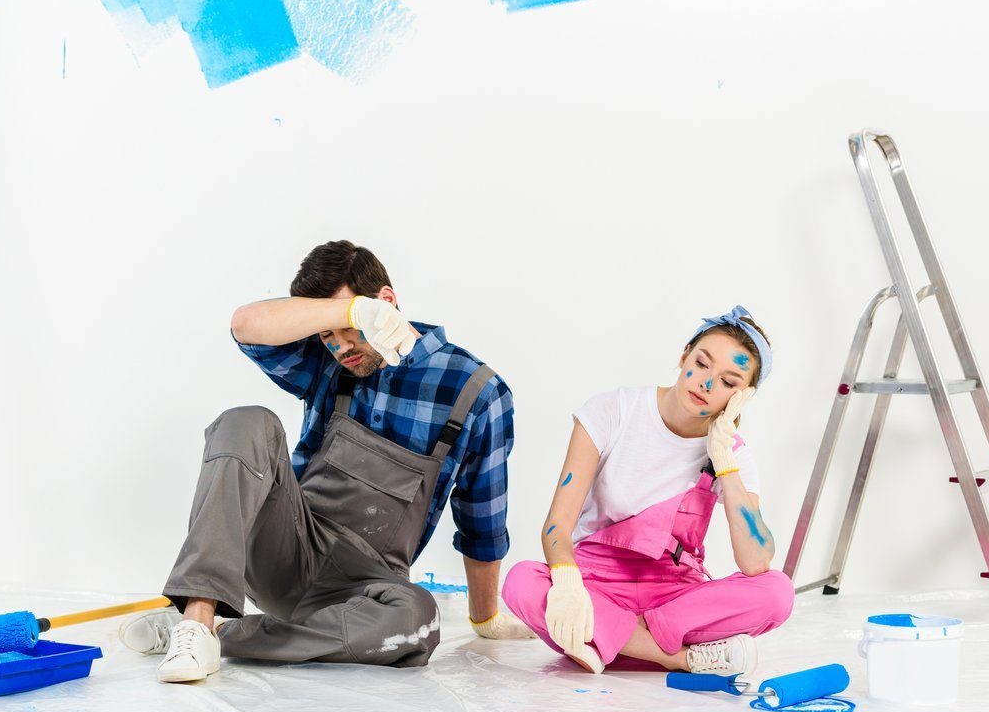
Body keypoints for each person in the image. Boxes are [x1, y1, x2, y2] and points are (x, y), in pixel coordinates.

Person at [120, 240, 534, 682]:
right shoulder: (325, 365)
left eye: (348, 329)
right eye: (327, 334)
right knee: (246, 421)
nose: (339, 347)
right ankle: (197, 619)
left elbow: (481, 521)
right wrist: (350, 314)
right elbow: (244, 325)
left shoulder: (476, 391)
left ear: (387, 301)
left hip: (365, 586)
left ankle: (222, 634)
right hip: (288, 550)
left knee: (418, 618)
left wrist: (485, 618)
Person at [501, 306, 793, 675]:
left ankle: (608, 639)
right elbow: (556, 526)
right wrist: (568, 586)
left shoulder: (733, 455)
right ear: (684, 356)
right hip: (595, 584)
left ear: (743, 396)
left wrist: (723, 458)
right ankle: (678, 657)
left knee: (778, 592)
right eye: (702, 363)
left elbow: (755, 562)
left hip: (673, 596)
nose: (706, 384)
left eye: (728, 382)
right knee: (521, 582)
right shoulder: (613, 411)